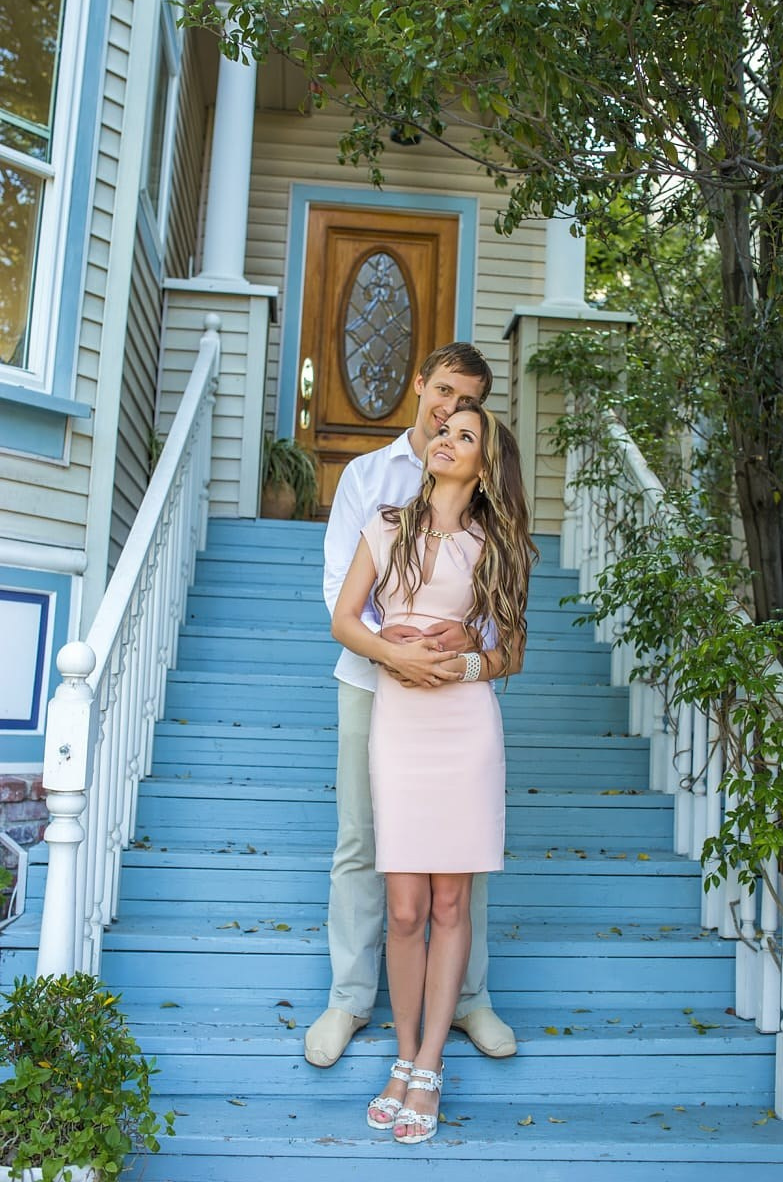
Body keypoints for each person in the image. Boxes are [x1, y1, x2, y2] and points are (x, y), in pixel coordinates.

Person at [304, 344, 518, 1068]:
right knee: (364, 843)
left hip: (454, 701)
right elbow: (343, 589)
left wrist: (458, 655)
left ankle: (465, 1001)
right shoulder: (369, 479)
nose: (448, 411)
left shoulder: (489, 529)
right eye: (444, 393)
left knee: (459, 859)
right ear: (421, 384)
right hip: (373, 685)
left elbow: (499, 633)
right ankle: (349, 998)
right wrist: (394, 651)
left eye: (467, 406)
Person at [331, 403, 535, 1143]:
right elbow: (347, 621)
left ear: (484, 465)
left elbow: (507, 652)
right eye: (443, 431)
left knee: (451, 905)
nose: (445, 440)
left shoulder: (494, 544)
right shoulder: (386, 524)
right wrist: (398, 654)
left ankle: (425, 1064)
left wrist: (466, 656)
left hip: (464, 724)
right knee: (406, 908)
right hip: (400, 721)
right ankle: (400, 1051)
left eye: (464, 436)